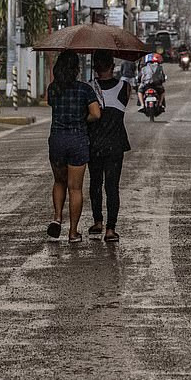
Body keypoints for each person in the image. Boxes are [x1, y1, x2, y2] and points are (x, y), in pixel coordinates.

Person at [46, 50, 101, 243]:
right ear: (77, 69)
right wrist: (81, 119)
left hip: (57, 139)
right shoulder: (85, 89)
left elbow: (52, 105)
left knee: (59, 182)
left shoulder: (53, 88)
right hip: (77, 140)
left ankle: (57, 217)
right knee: (75, 188)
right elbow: (96, 114)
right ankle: (73, 232)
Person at [87, 50, 131, 243]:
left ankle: (98, 222)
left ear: (95, 67)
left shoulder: (88, 88)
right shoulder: (125, 87)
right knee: (112, 187)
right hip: (115, 144)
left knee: (95, 184)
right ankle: (111, 229)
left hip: (94, 143)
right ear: (113, 66)